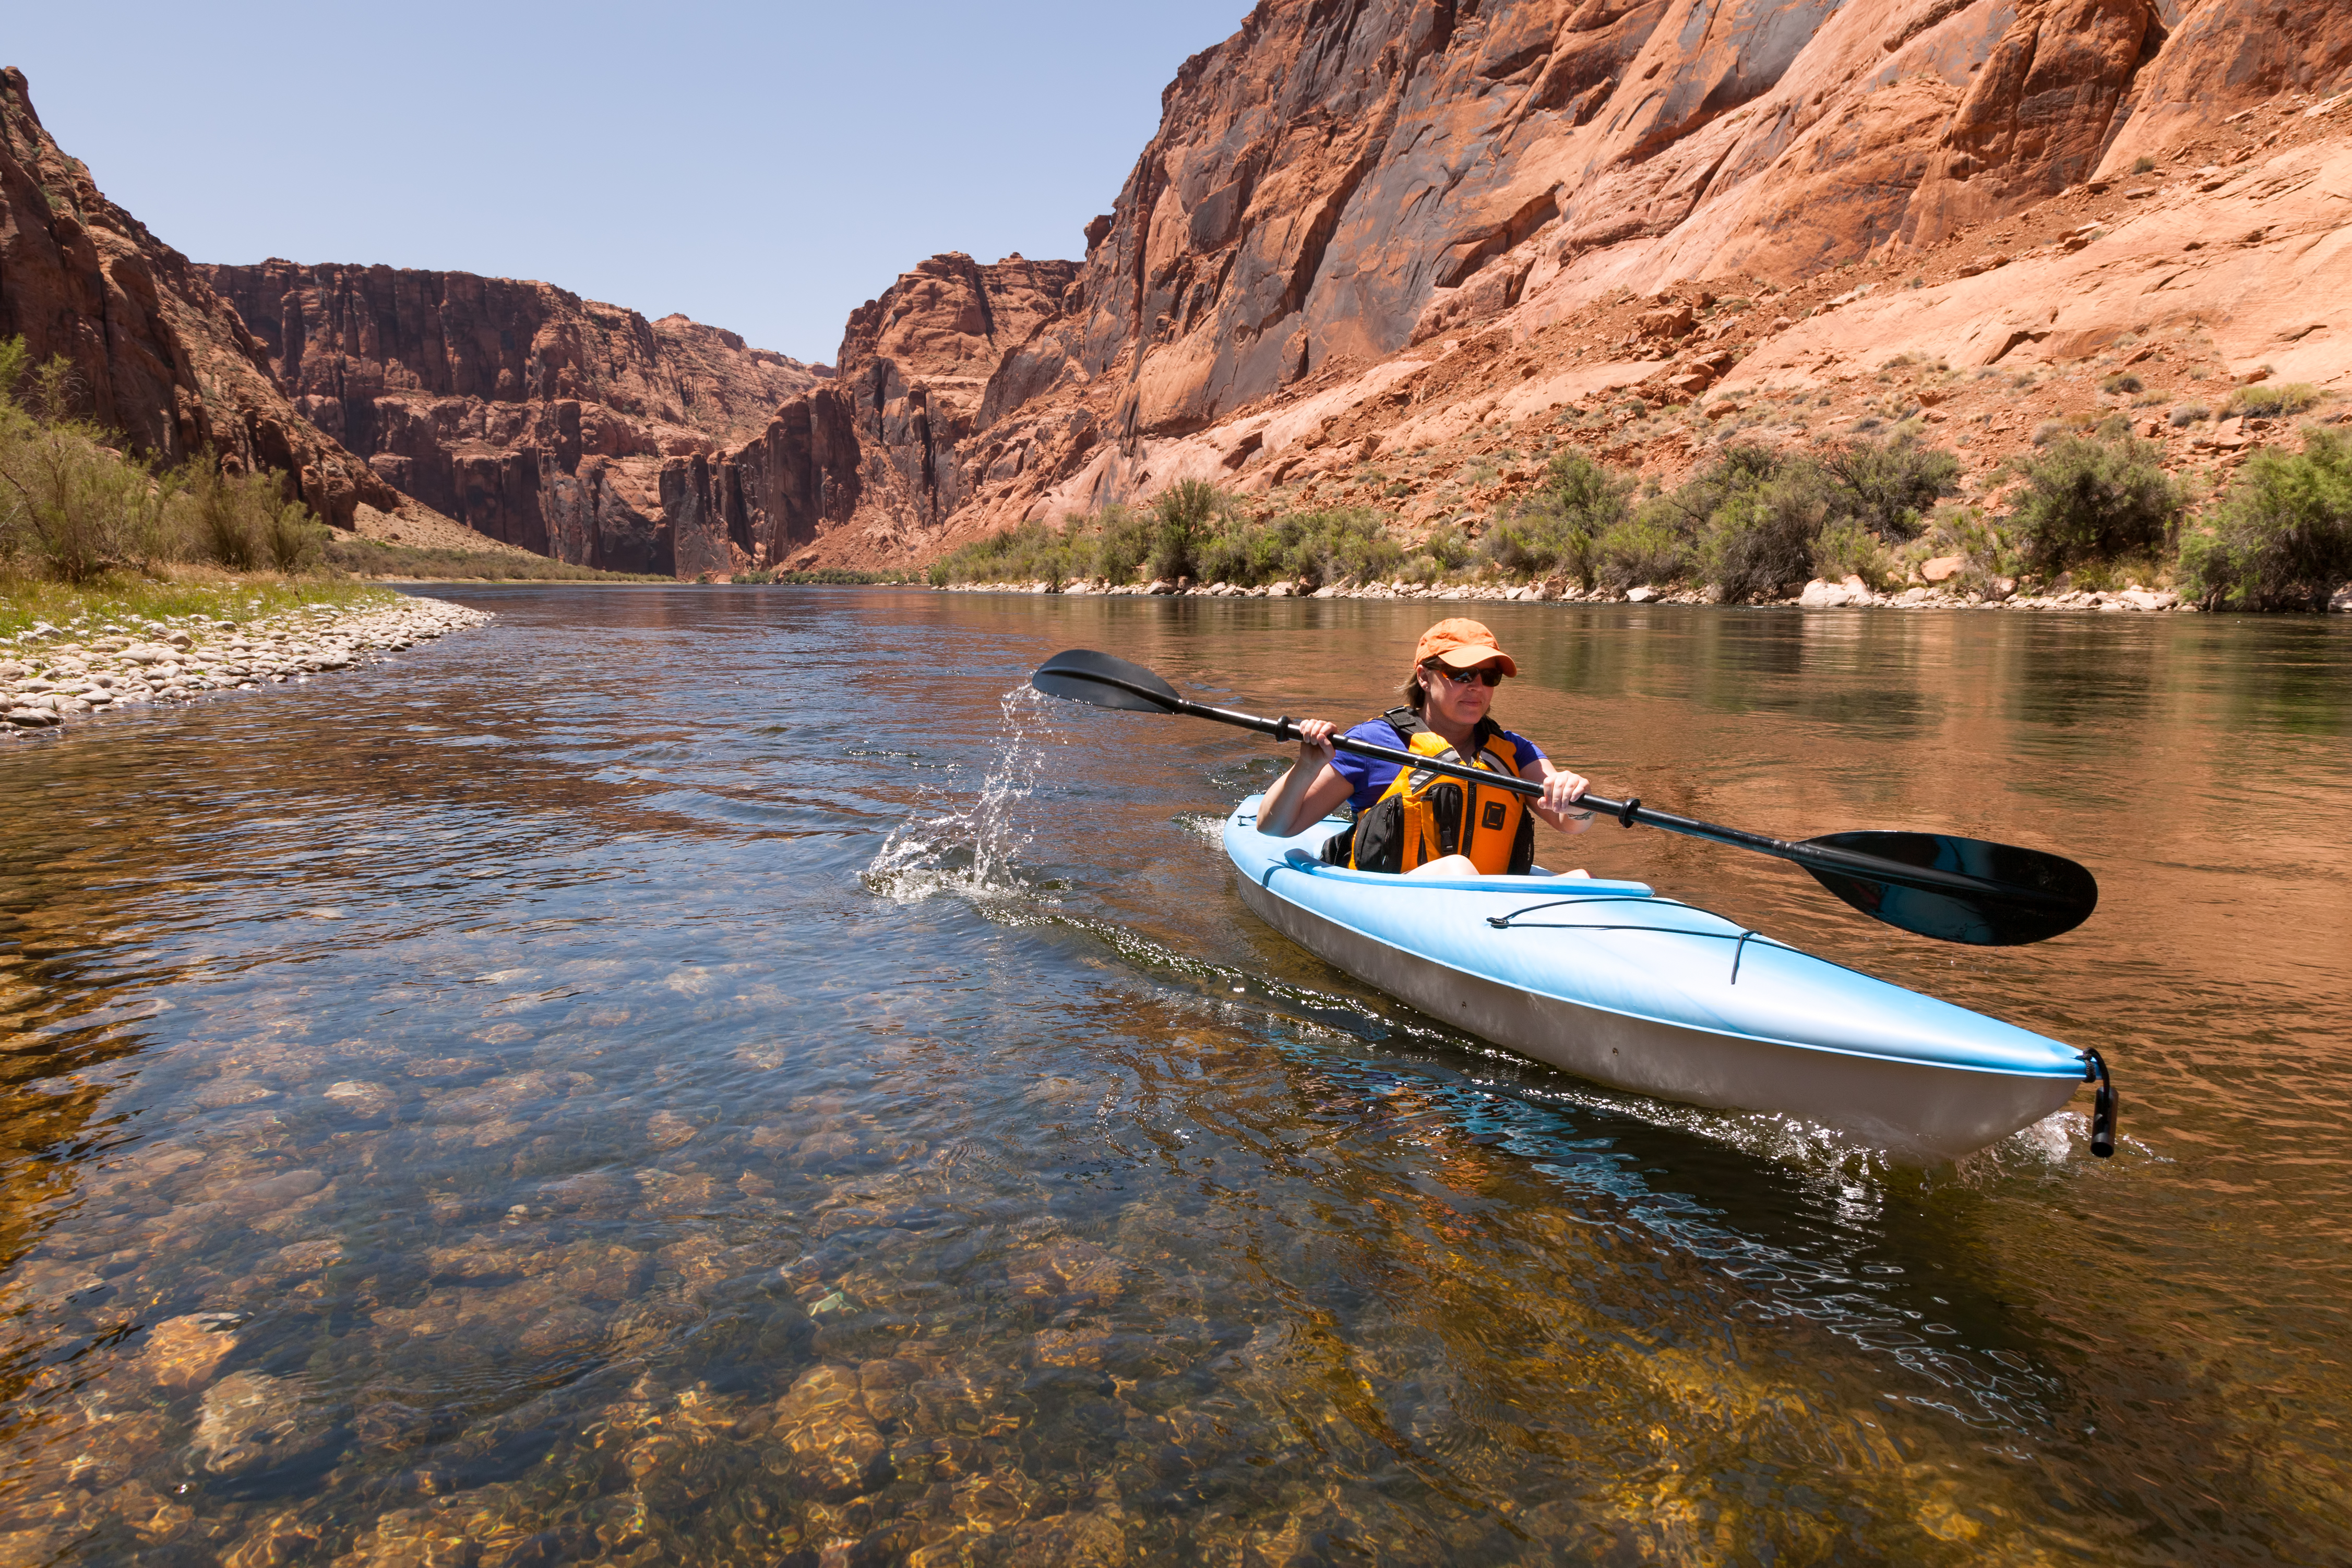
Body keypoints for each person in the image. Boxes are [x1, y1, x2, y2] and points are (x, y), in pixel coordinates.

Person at [1256, 618, 1593, 878]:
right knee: (1457, 869)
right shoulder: (1372, 743)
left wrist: (1574, 796)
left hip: (1491, 909)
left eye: (1488, 676)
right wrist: (1307, 766)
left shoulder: (1514, 751)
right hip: (1395, 898)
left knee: (1581, 878)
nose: (1476, 686)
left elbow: (1571, 823)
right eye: (1461, 674)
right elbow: (1275, 827)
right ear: (1423, 676)